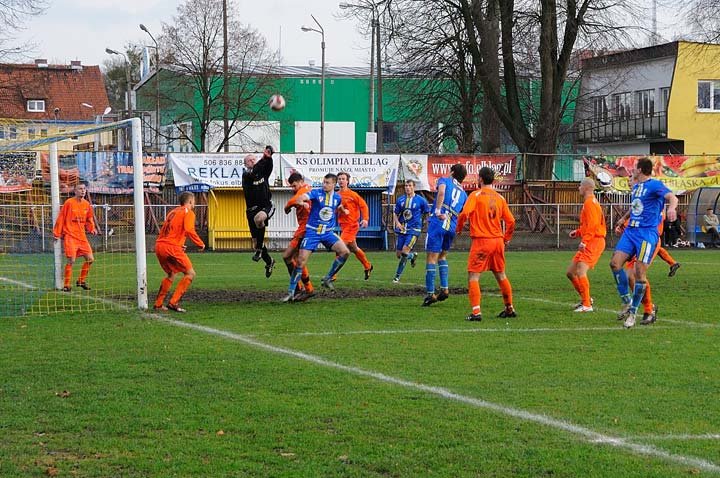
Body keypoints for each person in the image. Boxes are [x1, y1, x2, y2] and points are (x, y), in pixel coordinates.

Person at [609, 157, 678, 328]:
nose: (632, 169)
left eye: (634, 167)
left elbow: (672, 197)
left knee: (639, 273)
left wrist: (671, 208)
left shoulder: (654, 185)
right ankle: (626, 301)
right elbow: (636, 206)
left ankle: (633, 313)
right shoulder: (637, 186)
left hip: (646, 234)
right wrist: (623, 219)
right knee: (615, 264)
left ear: (640, 170)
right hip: (631, 231)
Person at [456, 167, 516, 321]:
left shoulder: (475, 195)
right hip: (498, 241)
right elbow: (511, 221)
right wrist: (507, 238)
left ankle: (476, 312)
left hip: (482, 241)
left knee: (473, 276)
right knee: (501, 274)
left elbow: (464, 213)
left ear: (480, 179)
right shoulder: (500, 198)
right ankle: (509, 308)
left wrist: (459, 228)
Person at [283, 173, 351, 302]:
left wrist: (343, 210)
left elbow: (338, 206)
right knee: (300, 261)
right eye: (323, 182)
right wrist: (303, 203)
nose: (324, 185)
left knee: (345, 252)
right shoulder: (316, 193)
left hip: (328, 233)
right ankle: (291, 291)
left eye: (327, 183)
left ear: (333, 184)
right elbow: (300, 198)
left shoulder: (337, 198)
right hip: (312, 232)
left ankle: (328, 278)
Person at [422, 163, 468, 306]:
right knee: (442, 256)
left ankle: (430, 294)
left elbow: (441, 192)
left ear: (452, 172)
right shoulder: (464, 193)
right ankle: (445, 288)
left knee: (431, 257)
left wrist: (437, 210)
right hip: (452, 224)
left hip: (439, 221)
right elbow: (463, 212)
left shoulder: (445, 180)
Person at [153, 192, 205, 312]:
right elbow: (189, 230)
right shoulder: (188, 212)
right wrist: (200, 243)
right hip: (171, 247)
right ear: (190, 201)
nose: (194, 204)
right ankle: (173, 302)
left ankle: (158, 304)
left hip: (160, 245)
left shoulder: (173, 212)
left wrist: (180, 245)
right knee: (190, 273)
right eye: (194, 201)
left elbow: (170, 231)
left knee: (171, 275)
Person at [566, 178, 606, 313]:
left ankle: (587, 304)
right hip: (591, 239)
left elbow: (594, 226)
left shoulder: (590, 203)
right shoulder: (589, 202)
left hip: (595, 241)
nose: (578, 188)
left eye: (580, 186)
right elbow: (588, 225)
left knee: (581, 270)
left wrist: (585, 241)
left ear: (586, 187)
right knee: (570, 273)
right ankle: (586, 299)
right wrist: (578, 232)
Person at [53, 182, 98, 292]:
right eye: (80, 189)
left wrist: (92, 228)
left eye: (84, 189)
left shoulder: (86, 204)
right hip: (70, 236)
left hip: (82, 237)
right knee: (71, 260)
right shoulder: (69, 203)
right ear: (75, 191)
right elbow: (61, 218)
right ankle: (67, 285)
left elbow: (89, 219)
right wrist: (57, 233)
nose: (83, 191)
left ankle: (81, 281)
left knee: (90, 259)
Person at [281, 172, 315, 301]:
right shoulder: (308, 190)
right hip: (306, 229)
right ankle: (306, 289)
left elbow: (291, 202)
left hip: (304, 230)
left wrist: (288, 207)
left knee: (287, 257)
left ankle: (300, 289)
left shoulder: (304, 191)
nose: (293, 188)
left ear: (301, 182)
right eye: (291, 186)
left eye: (294, 185)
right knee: (297, 259)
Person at [242, 146, 275, 277]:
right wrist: (263, 158)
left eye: (254, 159)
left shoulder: (263, 173)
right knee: (256, 243)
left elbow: (269, 166)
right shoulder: (246, 175)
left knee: (259, 219)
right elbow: (254, 172)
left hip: (266, 206)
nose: (252, 161)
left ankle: (260, 250)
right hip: (251, 210)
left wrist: (268, 157)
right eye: (250, 160)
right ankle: (269, 261)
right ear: (245, 164)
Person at [336, 172, 373, 280]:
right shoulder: (336, 195)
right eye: (339, 179)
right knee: (354, 248)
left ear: (348, 181)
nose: (341, 181)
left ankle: (332, 275)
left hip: (352, 226)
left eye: (343, 179)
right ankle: (368, 266)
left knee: (339, 248)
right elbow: (333, 210)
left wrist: (365, 219)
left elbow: (364, 206)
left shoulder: (353, 195)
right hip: (343, 226)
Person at [392, 179, 430, 283]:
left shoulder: (421, 200)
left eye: (409, 186)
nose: (407, 187)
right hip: (402, 230)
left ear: (414, 187)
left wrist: (426, 223)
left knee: (404, 252)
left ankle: (397, 277)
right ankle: (412, 256)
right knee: (399, 254)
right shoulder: (401, 200)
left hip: (414, 230)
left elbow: (427, 212)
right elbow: (395, 213)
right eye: (406, 186)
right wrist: (398, 223)